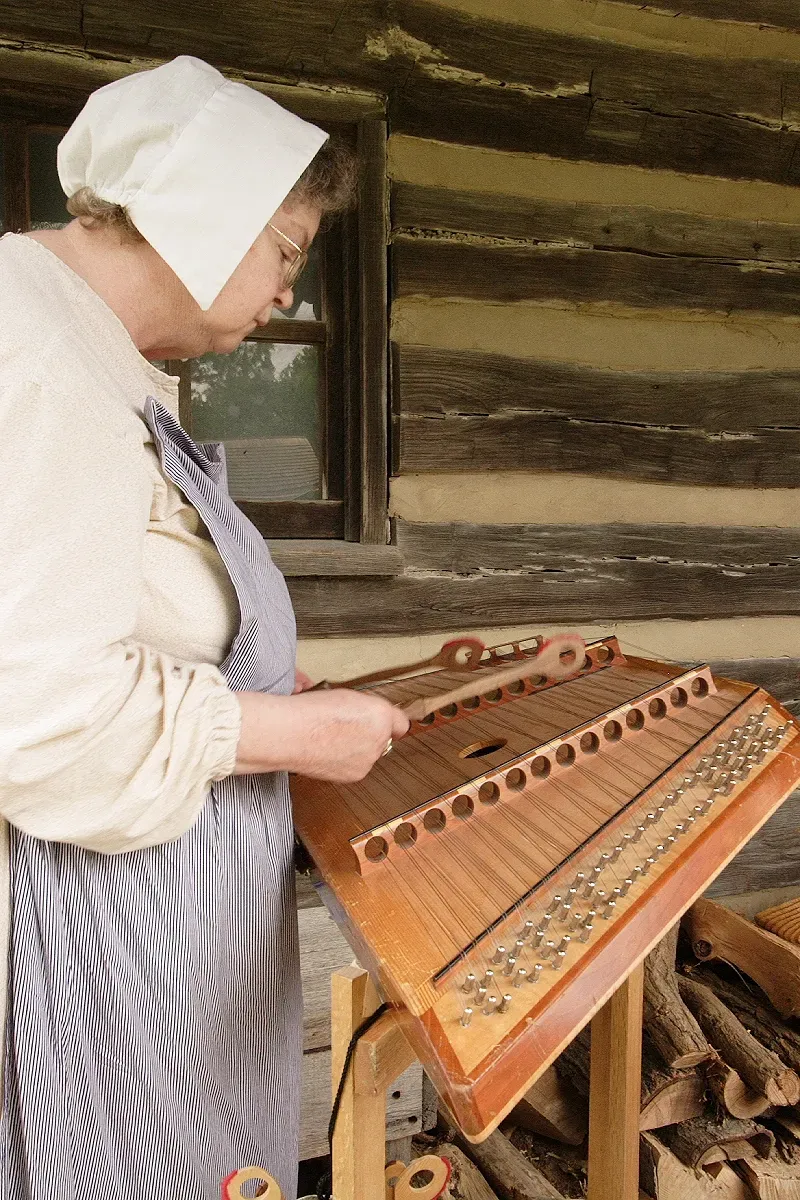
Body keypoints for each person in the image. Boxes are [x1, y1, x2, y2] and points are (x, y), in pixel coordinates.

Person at [0, 55, 408, 1199]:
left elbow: (110, 602)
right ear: (201, 209)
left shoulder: (81, 346)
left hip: (156, 908)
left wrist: (264, 675)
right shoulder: (31, 358)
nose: (286, 294)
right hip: (81, 922)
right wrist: (286, 736)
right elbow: (34, 716)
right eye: (283, 252)